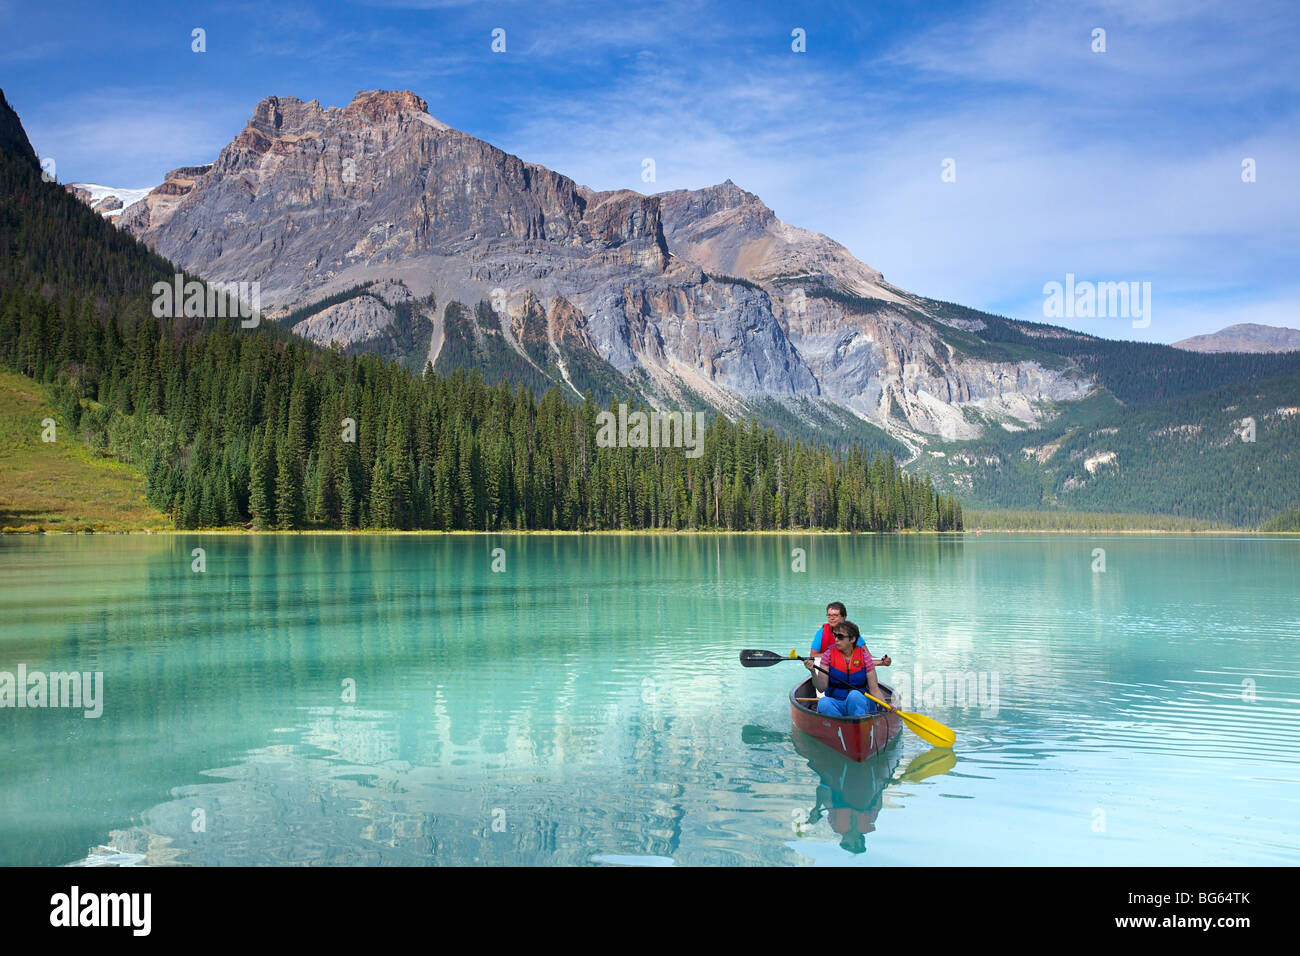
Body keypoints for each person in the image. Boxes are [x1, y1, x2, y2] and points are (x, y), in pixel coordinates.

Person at [804, 620, 894, 717]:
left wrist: (886, 705)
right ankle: (840, 724)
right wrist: (813, 672)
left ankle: (857, 722)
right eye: (835, 635)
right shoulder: (828, 655)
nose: (836, 639)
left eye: (840, 637)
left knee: (854, 695)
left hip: (861, 703)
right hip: (838, 703)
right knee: (823, 702)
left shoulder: (864, 657)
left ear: (852, 639)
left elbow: (874, 689)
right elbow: (821, 688)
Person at [810, 602, 890, 667]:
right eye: (829, 615)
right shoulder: (821, 633)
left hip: (850, 668)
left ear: (843, 617)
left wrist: (882, 662)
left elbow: (868, 658)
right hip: (827, 668)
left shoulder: (852, 633)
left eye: (835, 615)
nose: (831, 618)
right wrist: (835, 656)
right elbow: (813, 655)